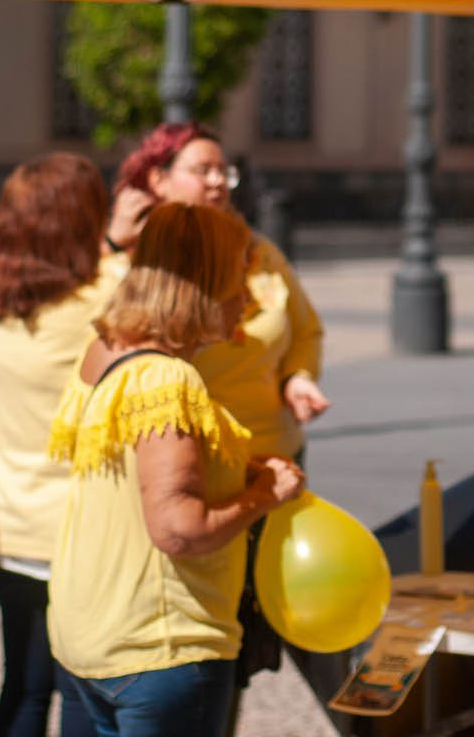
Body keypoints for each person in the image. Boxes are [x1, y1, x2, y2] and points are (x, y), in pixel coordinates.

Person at [46, 202, 305, 737]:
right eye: (238, 279)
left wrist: (231, 473)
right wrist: (266, 494)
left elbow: (129, 472)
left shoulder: (103, 350)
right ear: (203, 284)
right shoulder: (169, 381)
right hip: (159, 647)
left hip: (87, 634)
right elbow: (179, 530)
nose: (248, 298)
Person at [109, 123, 328, 718]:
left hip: (272, 459)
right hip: (190, 465)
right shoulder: (139, 263)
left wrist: (296, 377)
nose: (216, 182)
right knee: (193, 618)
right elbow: (109, 341)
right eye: (201, 169)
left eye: (222, 172)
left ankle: (215, 713)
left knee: (241, 632)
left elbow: (303, 328)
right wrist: (111, 246)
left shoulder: (257, 251)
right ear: (157, 179)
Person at [0, 153, 122, 737]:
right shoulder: (105, 296)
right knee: (82, 691)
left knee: (25, 687)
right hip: (77, 536)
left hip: (5, 529)